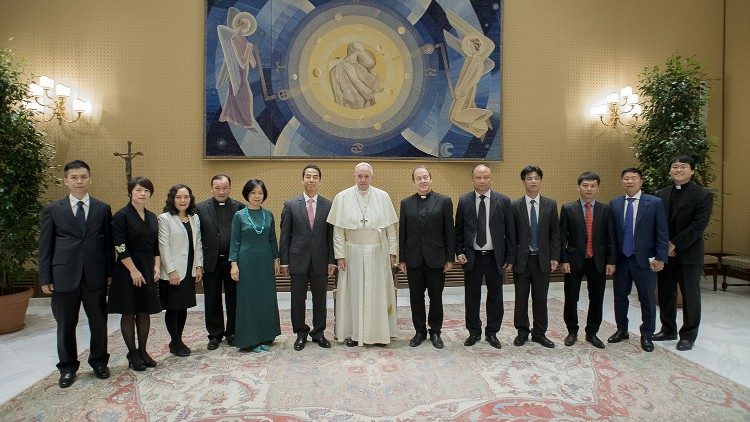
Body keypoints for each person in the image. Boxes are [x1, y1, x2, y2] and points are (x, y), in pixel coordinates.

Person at [38, 160, 114, 388]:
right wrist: (45, 277)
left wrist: (109, 272)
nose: (79, 181)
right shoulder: (53, 210)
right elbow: (45, 246)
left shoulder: (103, 208)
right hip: (63, 277)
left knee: (99, 322)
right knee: (65, 325)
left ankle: (99, 362)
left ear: (90, 178)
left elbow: (109, 244)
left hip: (95, 275)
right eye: (74, 177)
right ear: (66, 181)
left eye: (83, 177)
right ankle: (68, 367)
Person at [327, 162, 399, 346]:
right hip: (352, 253)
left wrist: (392, 252)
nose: (363, 179)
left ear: (372, 177)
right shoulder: (341, 197)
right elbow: (338, 232)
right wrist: (340, 255)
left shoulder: (383, 197)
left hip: (378, 253)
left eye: (367, 176)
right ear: (354, 176)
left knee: (378, 292)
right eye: (360, 176)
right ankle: (354, 333)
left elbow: (391, 229)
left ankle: (379, 334)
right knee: (353, 293)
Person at [654, 156, 713, 351]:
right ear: (670, 170)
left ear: (692, 171)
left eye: (683, 167)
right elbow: (657, 223)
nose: (678, 170)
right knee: (665, 293)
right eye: (675, 167)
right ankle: (668, 329)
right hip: (665, 253)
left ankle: (688, 335)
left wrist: (674, 244)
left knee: (690, 296)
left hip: (688, 254)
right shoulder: (661, 194)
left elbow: (698, 227)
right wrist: (664, 246)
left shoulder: (703, 195)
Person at [608, 168, 669, 352]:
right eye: (626, 178)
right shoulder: (615, 203)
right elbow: (611, 236)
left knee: (647, 299)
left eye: (634, 178)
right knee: (620, 297)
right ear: (621, 182)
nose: (630, 182)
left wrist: (661, 257)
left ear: (641, 181)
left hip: (645, 260)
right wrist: (611, 261)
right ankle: (622, 330)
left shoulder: (654, 203)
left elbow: (662, 232)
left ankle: (647, 335)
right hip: (621, 260)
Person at [455, 164, 515, 349]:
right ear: (472, 179)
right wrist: (459, 252)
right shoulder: (464, 200)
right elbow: (458, 230)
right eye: (478, 178)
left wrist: (510, 258)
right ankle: (474, 332)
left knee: (495, 297)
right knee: (471, 297)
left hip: (494, 258)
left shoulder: (503, 201)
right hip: (472, 257)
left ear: (491, 178)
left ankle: (492, 333)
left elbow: (510, 232)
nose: (482, 181)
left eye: (486, 177)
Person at [279, 165, 336, 351]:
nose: (311, 180)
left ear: (320, 181)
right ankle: (301, 333)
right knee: (297, 299)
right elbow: (285, 235)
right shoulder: (291, 204)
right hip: (297, 260)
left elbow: (331, 236)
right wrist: (284, 261)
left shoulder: (328, 205)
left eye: (315, 177)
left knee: (320, 299)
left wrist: (331, 261)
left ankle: (319, 333)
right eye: (308, 177)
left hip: (321, 259)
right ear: (302, 180)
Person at [108, 176, 162, 370]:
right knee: (129, 311)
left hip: (147, 266)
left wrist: (156, 266)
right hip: (127, 268)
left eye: (146, 191)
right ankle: (132, 353)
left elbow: (156, 244)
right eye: (138, 190)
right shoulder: (121, 215)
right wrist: (133, 270)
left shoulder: (152, 216)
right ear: (131, 192)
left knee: (144, 310)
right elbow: (120, 245)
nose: (142, 194)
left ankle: (143, 350)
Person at [399, 165, 455, 349]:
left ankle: (436, 332)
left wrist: (450, 258)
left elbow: (449, 231)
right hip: (413, 258)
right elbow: (403, 233)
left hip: (437, 259)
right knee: (416, 297)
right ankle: (420, 331)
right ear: (413, 182)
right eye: (419, 178)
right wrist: (402, 259)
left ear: (431, 179)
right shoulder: (405, 203)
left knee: (436, 297)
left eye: (425, 177)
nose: (422, 181)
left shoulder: (444, 201)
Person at [559, 172, 615, 349]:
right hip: (574, 261)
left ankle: (592, 333)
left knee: (596, 298)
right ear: (579, 187)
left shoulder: (606, 210)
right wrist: (563, 259)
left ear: (597, 188)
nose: (589, 189)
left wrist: (611, 261)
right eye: (585, 185)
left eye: (592, 186)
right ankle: (572, 331)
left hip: (597, 261)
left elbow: (610, 238)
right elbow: (562, 237)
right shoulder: (568, 208)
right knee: (571, 298)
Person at [229, 179, 281, 353]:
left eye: (260, 193)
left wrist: (276, 259)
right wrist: (233, 264)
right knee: (248, 300)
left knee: (265, 299)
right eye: (253, 193)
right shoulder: (239, 215)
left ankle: (266, 336)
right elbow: (235, 241)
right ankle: (249, 340)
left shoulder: (269, 214)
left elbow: (272, 239)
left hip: (265, 261)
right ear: (247, 194)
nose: (257, 196)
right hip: (246, 262)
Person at [511, 166, 560, 348]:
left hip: (543, 260)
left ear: (540, 181)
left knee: (541, 299)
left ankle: (540, 333)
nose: (533, 181)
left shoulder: (550, 204)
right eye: (529, 178)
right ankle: (522, 332)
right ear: (523, 182)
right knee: (521, 299)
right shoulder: (515, 205)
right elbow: (511, 234)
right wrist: (511, 259)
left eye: (536, 178)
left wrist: (555, 256)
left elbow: (555, 233)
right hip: (521, 261)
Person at [195, 174, 245, 350]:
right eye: (217, 188)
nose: (221, 191)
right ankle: (215, 334)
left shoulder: (240, 207)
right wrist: (198, 264)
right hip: (211, 262)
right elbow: (197, 238)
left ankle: (232, 332)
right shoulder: (199, 208)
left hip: (233, 263)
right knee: (212, 299)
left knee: (234, 299)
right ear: (211, 188)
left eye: (225, 188)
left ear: (230, 188)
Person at [158, 184, 204, 357]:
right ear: (172, 199)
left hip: (190, 269)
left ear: (190, 199)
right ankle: (175, 341)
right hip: (173, 272)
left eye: (186, 197)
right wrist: (171, 271)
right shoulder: (165, 218)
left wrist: (199, 265)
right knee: (173, 307)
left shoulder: (194, 218)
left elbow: (197, 242)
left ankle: (178, 339)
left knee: (183, 306)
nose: (183, 200)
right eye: (178, 197)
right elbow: (164, 246)